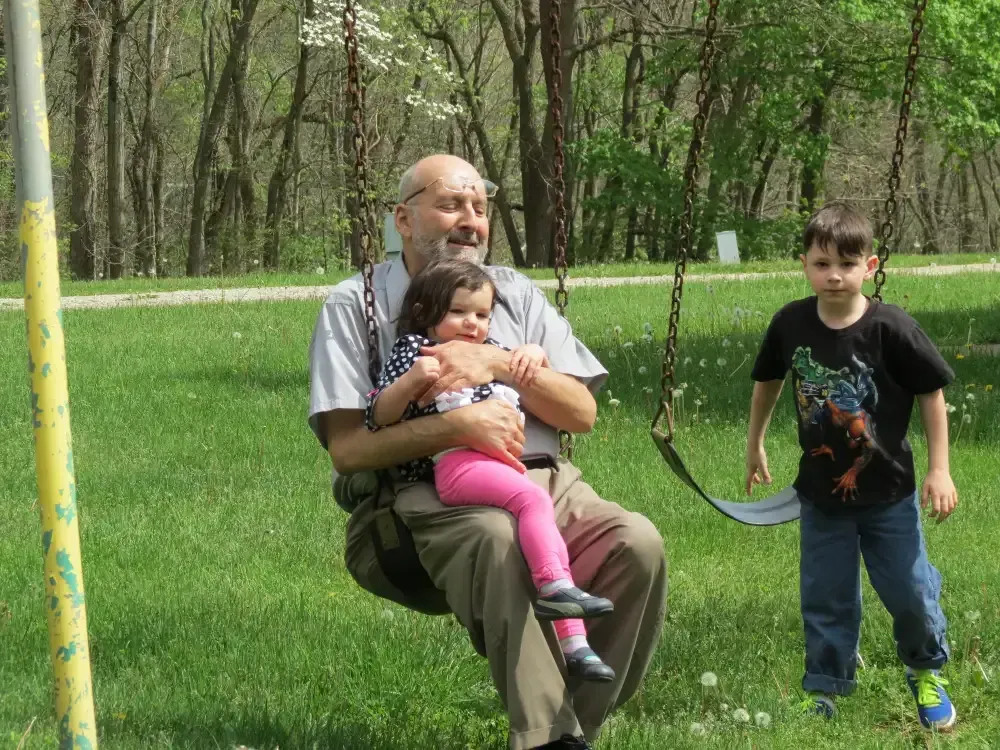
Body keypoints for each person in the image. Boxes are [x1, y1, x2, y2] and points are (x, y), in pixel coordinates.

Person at [308, 154, 667, 750]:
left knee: (639, 543)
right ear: (403, 218)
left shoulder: (514, 293)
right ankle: (548, 739)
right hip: (428, 492)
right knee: (499, 541)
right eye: (451, 204)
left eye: (479, 207)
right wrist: (457, 427)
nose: (470, 220)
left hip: (542, 478)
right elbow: (347, 449)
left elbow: (581, 413)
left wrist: (496, 361)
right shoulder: (356, 304)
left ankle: (571, 729)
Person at [745, 202, 958, 731]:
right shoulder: (790, 324)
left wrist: (940, 469)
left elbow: (931, 393)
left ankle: (925, 670)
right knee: (827, 596)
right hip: (823, 498)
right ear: (804, 265)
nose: (834, 275)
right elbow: (768, 381)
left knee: (910, 591)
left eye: (846, 263)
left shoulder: (891, 327)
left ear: (870, 265)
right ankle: (825, 685)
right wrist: (756, 443)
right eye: (822, 264)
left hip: (890, 494)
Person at [366, 257, 617, 682]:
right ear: (425, 313)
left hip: (500, 464)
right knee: (533, 501)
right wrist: (410, 383)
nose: (473, 323)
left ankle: (575, 645)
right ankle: (554, 587)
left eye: (482, 315)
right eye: (458, 311)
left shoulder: (492, 348)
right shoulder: (416, 351)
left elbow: (527, 367)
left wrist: (534, 353)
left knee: (543, 524)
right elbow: (377, 414)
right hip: (458, 464)